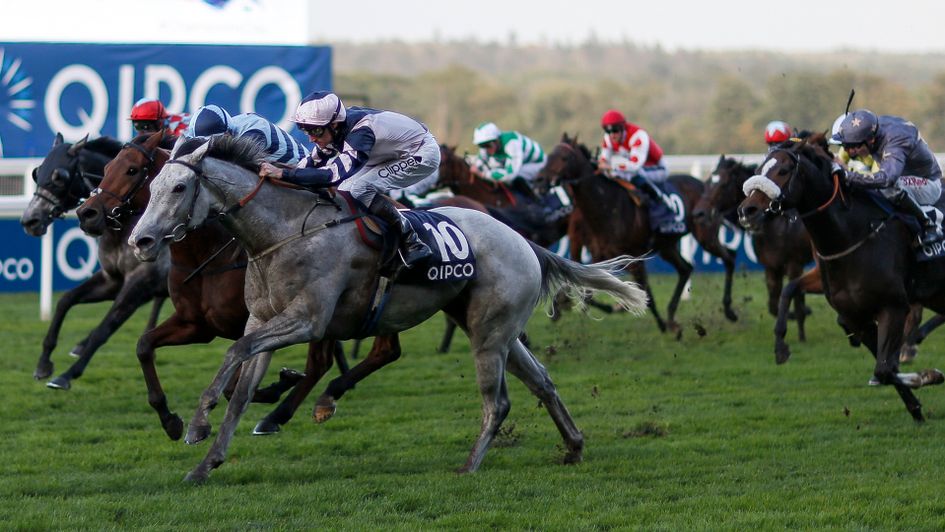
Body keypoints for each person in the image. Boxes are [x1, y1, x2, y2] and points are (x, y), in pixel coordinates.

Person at [257, 91, 436, 266]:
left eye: (316, 130)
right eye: (305, 130)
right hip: (386, 152)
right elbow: (307, 166)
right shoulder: (335, 129)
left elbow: (331, 176)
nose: (311, 138)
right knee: (346, 190)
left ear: (334, 124)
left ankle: (412, 240)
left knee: (359, 189)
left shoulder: (360, 133)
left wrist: (282, 173)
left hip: (419, 152)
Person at [835, 108, 944, 246]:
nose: (849, 152)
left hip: (930, 185)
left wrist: (847, 176)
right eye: (845, 146)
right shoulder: (872, 128)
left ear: (871, 140)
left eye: (852, 146)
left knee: (889, 187)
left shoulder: (896, 140)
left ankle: (930, 225)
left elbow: (887, 179)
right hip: (908, 180)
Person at [597, 109, 673, 211]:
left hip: (657, 169)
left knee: (633, 174)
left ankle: (662, 203)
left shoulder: (638, 136)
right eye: (608, 131)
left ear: (622, 127)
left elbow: (634, 166)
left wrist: (610, 166)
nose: (611, 135)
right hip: (637, 168)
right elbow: (603, 160)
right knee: (611, 174)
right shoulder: (609, 138)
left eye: (615, 130)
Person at [185, 104, 309, 166]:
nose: (208, 146)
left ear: (228, 133)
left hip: (302, 170)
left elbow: (234, 173)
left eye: (212, 142)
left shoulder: (253, 132)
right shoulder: (229, 127)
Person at [470, 122, 546, 197]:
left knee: (516, 176)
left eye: (487, 145)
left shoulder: (512, 143)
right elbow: (480, 161)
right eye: (481, 146)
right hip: (522, 163)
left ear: (496, 140)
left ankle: (536, 199)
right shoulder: (488, 147)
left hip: (539, 164)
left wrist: (483, 174)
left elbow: (510, 174)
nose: (486, 149)